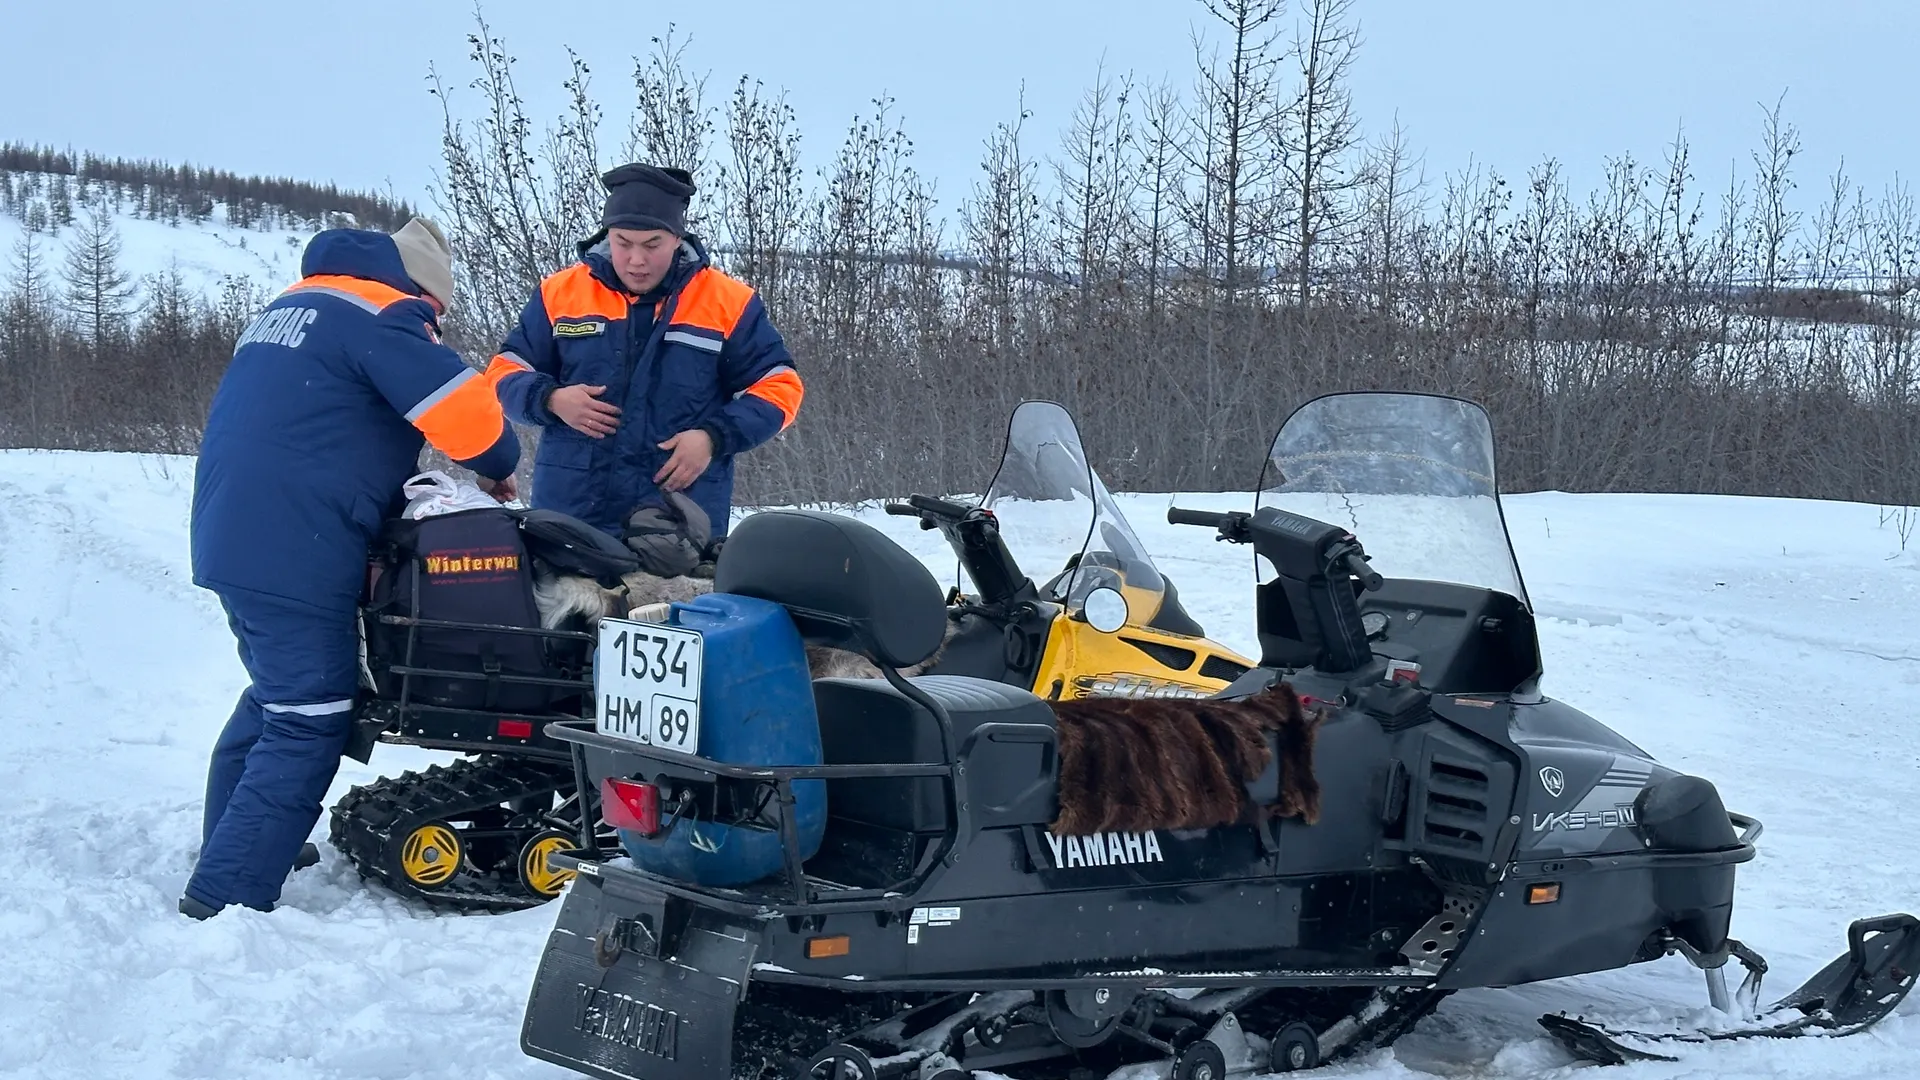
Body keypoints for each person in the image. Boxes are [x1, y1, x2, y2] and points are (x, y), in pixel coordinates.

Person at [182, 217, 520, 918]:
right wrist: (498, 467)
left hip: (234, 534)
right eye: (438, 311)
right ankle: (228, 894)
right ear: (424, 289)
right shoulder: (383, 314)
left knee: (278, 693)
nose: (434, 323)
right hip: (294, 544)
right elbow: (471, 419)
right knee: (312, 714)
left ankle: (233, 839)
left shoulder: (290, 308)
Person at [490, 163, 803, 570]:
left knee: (676, 624)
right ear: (607, 236)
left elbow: (781, 387)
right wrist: (550, 399)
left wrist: (713, 437)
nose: (637, 259)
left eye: (652, 244)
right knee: (563, 630)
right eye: (623, 243)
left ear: (677, 238)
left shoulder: (728, 302)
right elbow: (502, 373)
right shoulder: (559, 294)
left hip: (678, 524)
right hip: (571, 516)